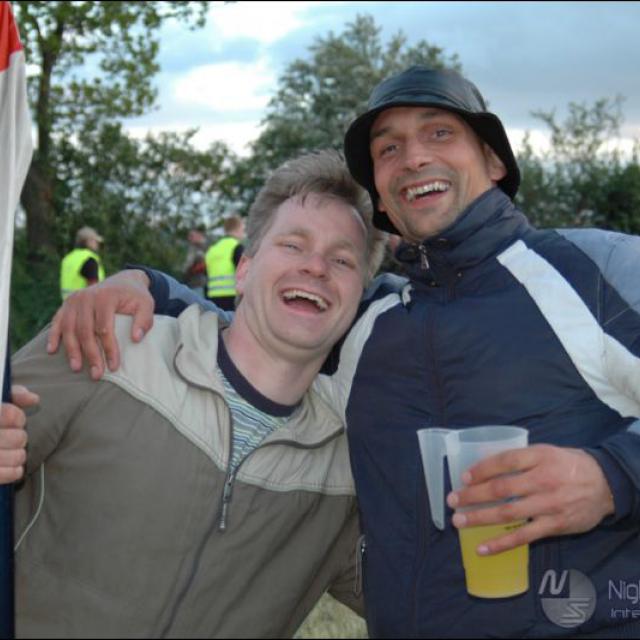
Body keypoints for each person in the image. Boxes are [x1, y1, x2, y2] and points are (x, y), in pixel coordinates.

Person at [47, 66, 640, 638]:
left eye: (440, 133)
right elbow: (257, 324)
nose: (413, 157)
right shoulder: (369, 324)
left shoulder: (594, 270)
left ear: (493, 160)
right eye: (388, 149)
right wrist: (144, 283)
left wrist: (612, 476)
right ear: (381, 193)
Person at [5, 150, 388, 638]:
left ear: (358, 299)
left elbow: (429, 600)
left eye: (342, 260)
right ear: (244, 269)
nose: (316, 267)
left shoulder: (351, 469)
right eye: (293, 245)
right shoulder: (106, 346)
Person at [205, 214, 246, 310]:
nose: (243, 233)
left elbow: (206, 274)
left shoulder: (212, 250)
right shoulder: (236, 247)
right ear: (238, 228)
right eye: (243, 229)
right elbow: (244, 273)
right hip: (232, 299)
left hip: (212, 298)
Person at [59, 226, 105, 300]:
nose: (97, 244)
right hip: (85, 304)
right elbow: (93, 288)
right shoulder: (89, 259)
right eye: (95, 241)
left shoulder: (68, 258)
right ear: (89, 241)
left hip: (67, 304)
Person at [182, 228, 208, 295]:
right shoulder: (192, 248)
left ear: (199, 235)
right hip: (193, 283)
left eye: (192, 236)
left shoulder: (205, 248)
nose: (189, 238)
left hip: (200, 284)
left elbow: (188, 266)